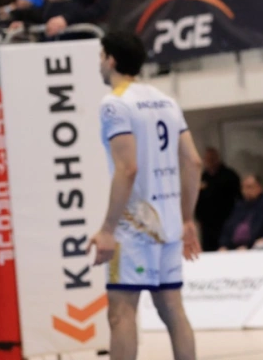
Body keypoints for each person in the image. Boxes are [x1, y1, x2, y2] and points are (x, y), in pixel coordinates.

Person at [90, 31, 201, 360]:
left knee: (121, 313)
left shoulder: (114, 104)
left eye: (100, 56)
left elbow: (128, 169)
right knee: (173, 310)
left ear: (111, 60)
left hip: (134, 228)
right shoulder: (166, 101)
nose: (99, 63)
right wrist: (187, 219)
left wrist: (107, 229)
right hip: (169, 225)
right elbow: (194, 162)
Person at [195, 147, 240, 252]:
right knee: (208, 247)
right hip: (207, 222)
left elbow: (238, 198)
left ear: (217, 159)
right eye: (207, 159)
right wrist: (198, 216)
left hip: (226, 219)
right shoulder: (203, 177)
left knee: (224, 245)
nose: (209, 161)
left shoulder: (229, 175)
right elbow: (197, 198)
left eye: (212, 158)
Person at [218, 174, 263, 250]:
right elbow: (228, 227)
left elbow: (261, 228)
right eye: (243, 187)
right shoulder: (239, 206)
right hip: (234, 248)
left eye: (249, 187)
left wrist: (249, 246)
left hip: (255, 247)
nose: (246, 190)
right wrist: (224, 244)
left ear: (259, 188)